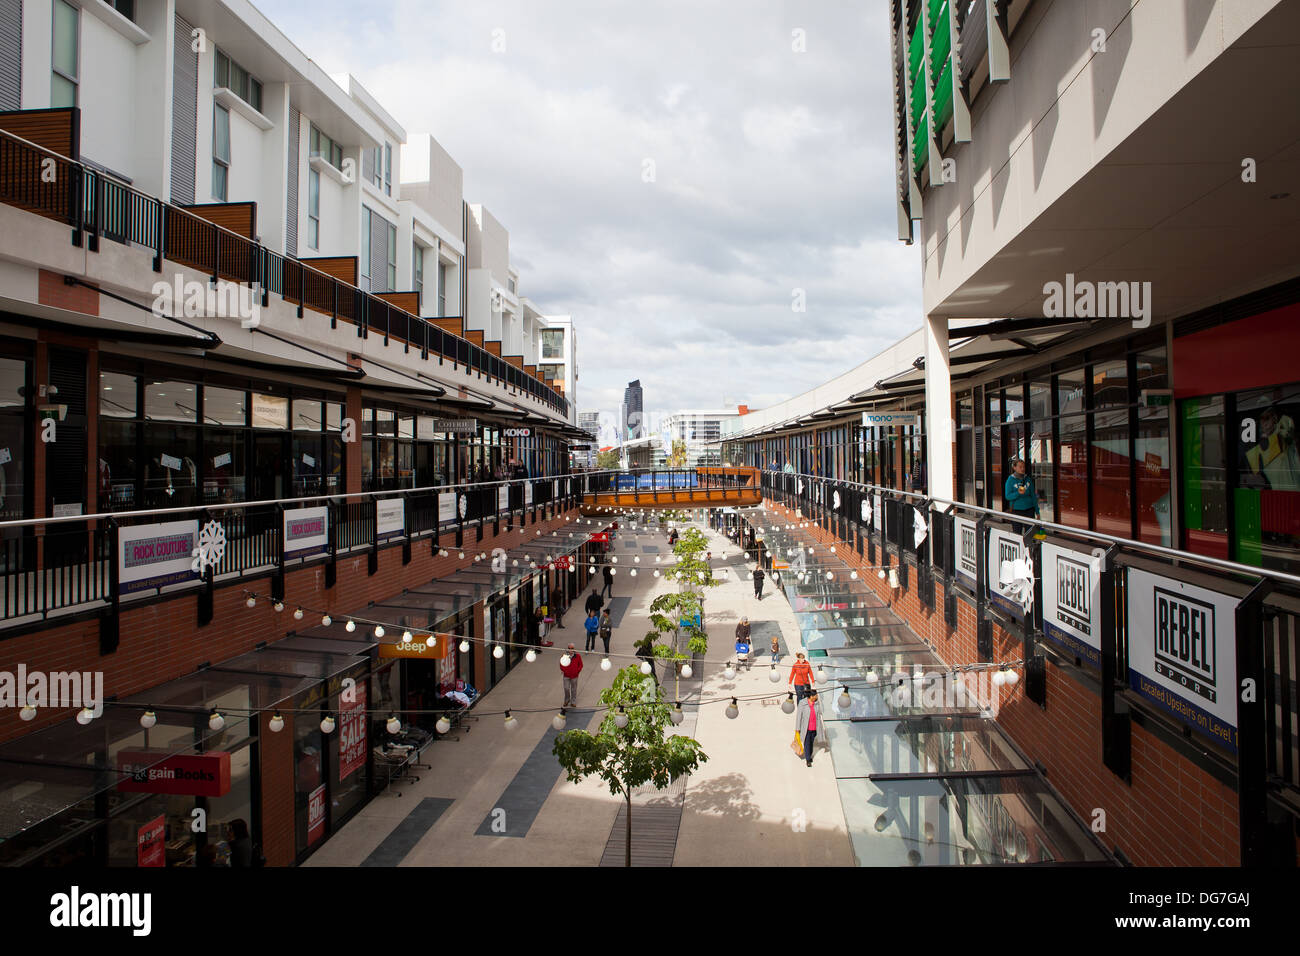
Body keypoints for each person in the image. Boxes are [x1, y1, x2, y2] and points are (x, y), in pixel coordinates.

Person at [1004, 457, 1040, 531]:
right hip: (1017, 510)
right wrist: (1018, 493)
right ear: (1014, 468)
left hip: (1029, 509)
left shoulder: (1028, 479)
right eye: (1020, 467)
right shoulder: (1010, 480)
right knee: (1017, 532)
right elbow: (1008, 496)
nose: (1022, 469)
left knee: (1030, 532)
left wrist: (1037, 511)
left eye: (1023, 467)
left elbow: (1033, 496)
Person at [795, 691, 823, 768]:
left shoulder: (816, 703)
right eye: (816, 696)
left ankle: (809, 755)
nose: (817, 697)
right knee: (807, 744)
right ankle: (808, 759)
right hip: (806, 728)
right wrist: (797, 728)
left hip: (814, 728)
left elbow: (820, 713)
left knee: (811, 743)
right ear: (811, 696)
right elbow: (799, 716)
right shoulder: (802, 703)